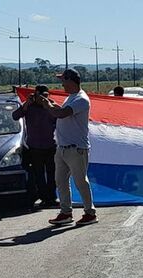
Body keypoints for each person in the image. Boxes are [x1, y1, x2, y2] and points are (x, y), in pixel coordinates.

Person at [36, 69, 97, 226]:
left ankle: (90, 213)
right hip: (63, 148)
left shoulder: (81, 99)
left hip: (76, 148)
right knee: (61, 181)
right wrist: (50, 104)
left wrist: (46, 105)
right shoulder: (71, 97)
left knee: (80, 181)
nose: (61, 83)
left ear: (71, 80)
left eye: (63, 80)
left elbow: (62, 114)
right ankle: (66, 213)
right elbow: (61, 110)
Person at [12, 84, 58, 208]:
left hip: (50, 145)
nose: (44, 99)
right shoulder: (29, 106)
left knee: (52, 174)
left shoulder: (51, 105)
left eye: (46, 96)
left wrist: (50, 105)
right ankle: (43, 197)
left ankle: (52, 197)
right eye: (41, 96)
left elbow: (61, 118)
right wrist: (27, 103)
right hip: (35, 146)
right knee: (39, 174)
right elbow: (15, 116)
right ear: (35, 95)